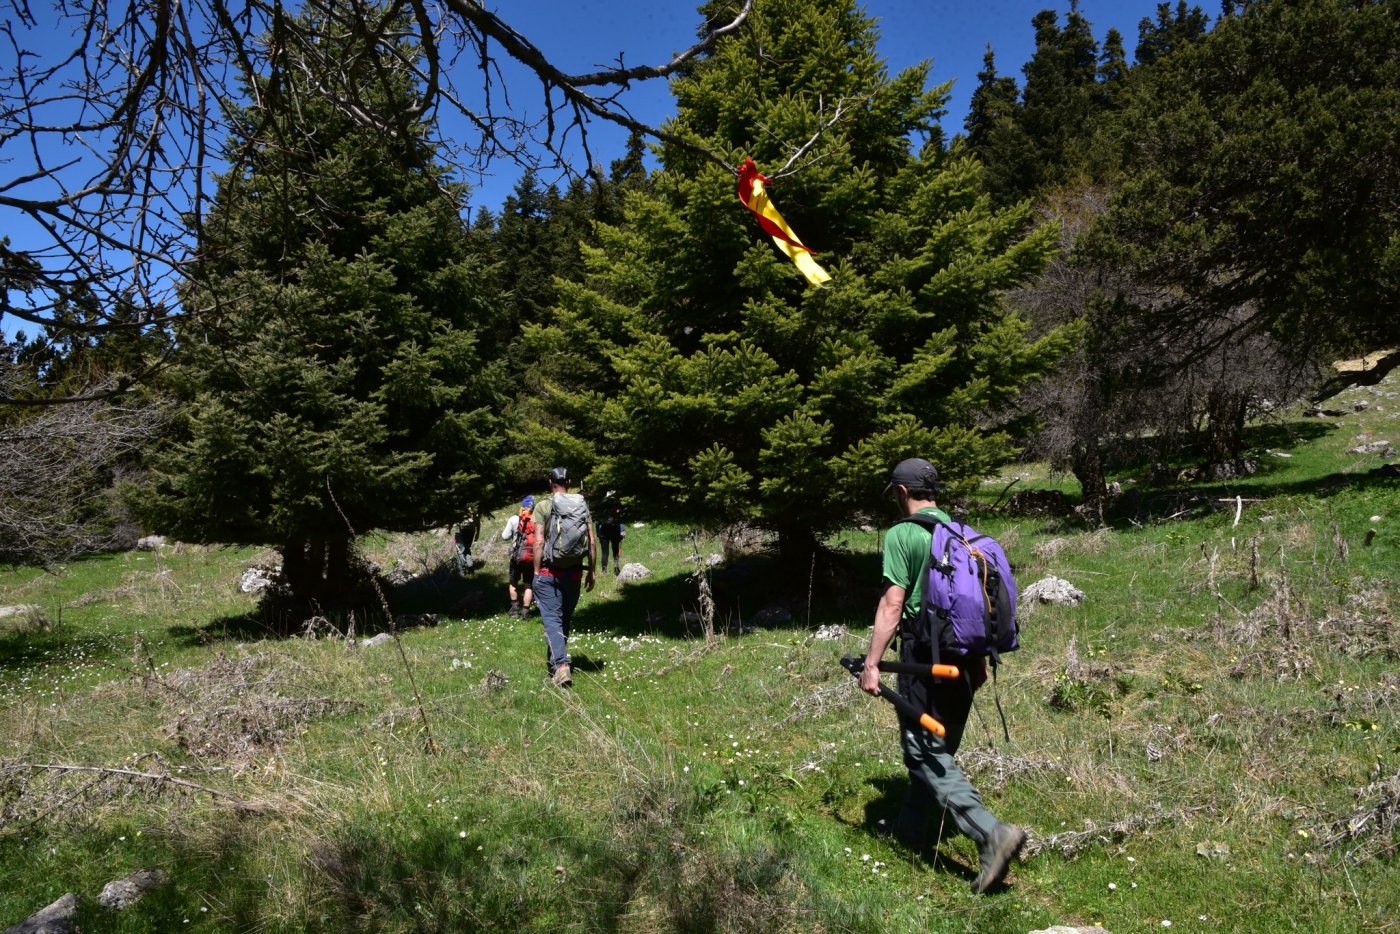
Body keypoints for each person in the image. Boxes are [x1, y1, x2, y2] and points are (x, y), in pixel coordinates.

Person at [859, 457, 1027, 894]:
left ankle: (991, 833)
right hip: (967, 661)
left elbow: (892, 605)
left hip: (924, 661)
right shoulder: (961, 533)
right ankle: (912, 832)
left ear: (900, 492)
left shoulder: (904, 535)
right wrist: (981, 661)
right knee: (938, 749)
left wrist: (872, 664)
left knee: (922, 752)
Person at [532, 467, 596, 687]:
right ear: (568, 481)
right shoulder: (582, 506)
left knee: (552, 619)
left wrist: (535, 572)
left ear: (551, 482)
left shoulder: (543, 506)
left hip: (549, 572)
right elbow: (592, 540)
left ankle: (561, 666)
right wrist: (593, 571)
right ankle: (556, 661)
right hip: (575, 572)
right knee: (563, 619)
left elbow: (538, 541)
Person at [500, 496, 536, 617]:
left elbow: (504, 536)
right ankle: (526, 611)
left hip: (516, 556)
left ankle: (515, 609)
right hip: (531, 557)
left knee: (513, 581)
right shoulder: (536, 519)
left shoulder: (514, 519)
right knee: (528, 584)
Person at [595, 491, 626, 575]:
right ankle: (616, 568)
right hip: (615, 530)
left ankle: (604, 571)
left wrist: (598, 533)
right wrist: (622, 531)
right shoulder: (617, 505)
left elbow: (597, 522)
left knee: (605, 552)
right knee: (615, 550)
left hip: (604, 531)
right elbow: (621, 519)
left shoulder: (602, 505)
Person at [453, 509, 481, 575]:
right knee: (467, 549)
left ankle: (462, 572)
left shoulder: (464, 513)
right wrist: (477, 534)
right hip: (471, 531)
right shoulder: (475, 515)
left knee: (460, 551)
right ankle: (470, 566)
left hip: (463, 532)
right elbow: (478, 524)